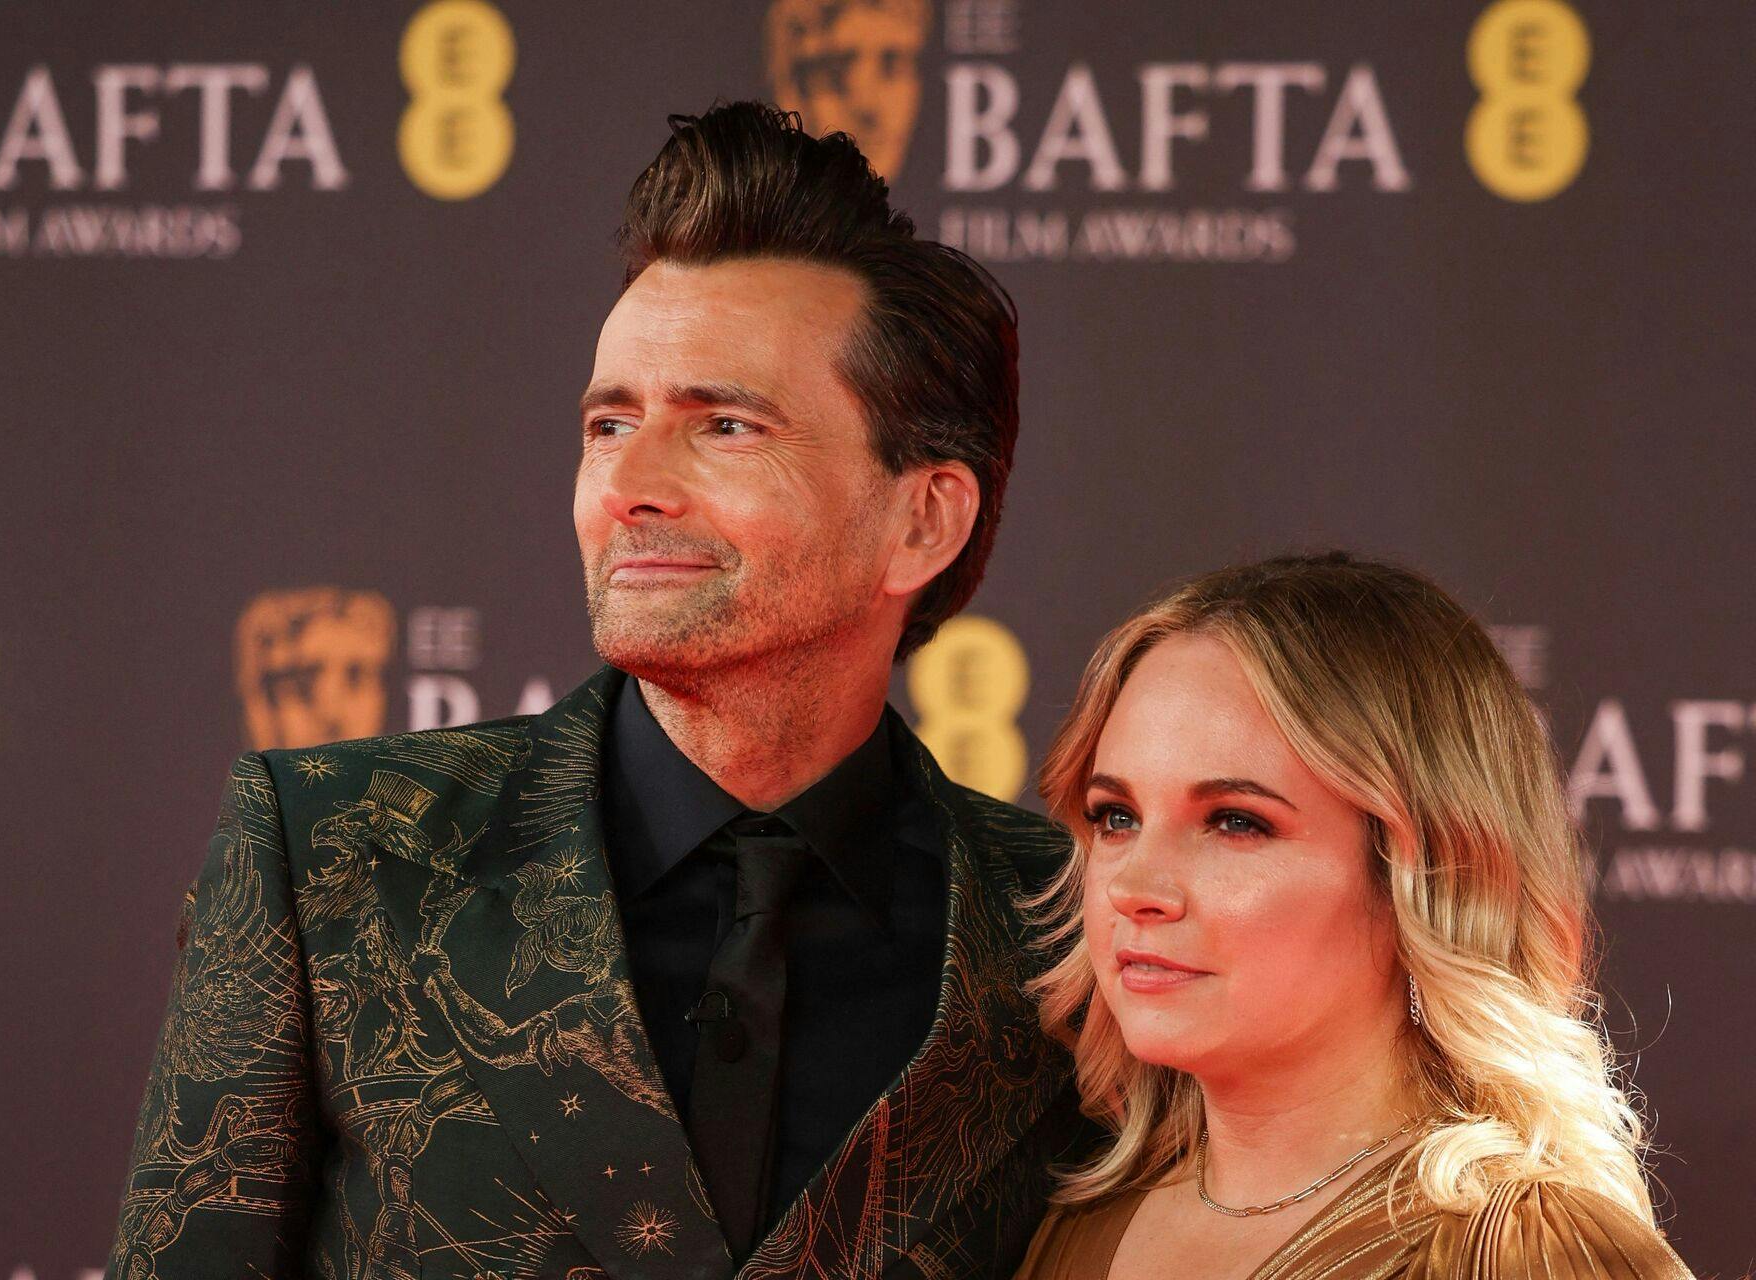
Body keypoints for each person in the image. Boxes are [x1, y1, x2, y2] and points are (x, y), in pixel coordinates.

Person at [104, 101, 1085, 1280]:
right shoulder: (331, 853)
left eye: (724, 425)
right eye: (609, 421)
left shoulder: (1070, 932)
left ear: (922, 517)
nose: (629, 483)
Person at [1014, 553, 1693, 1280]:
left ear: (1425, 875)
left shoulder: (1520, 1254)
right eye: (1116, 817)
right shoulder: (1075, 1224)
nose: (1136, 886)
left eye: (1236, 822)